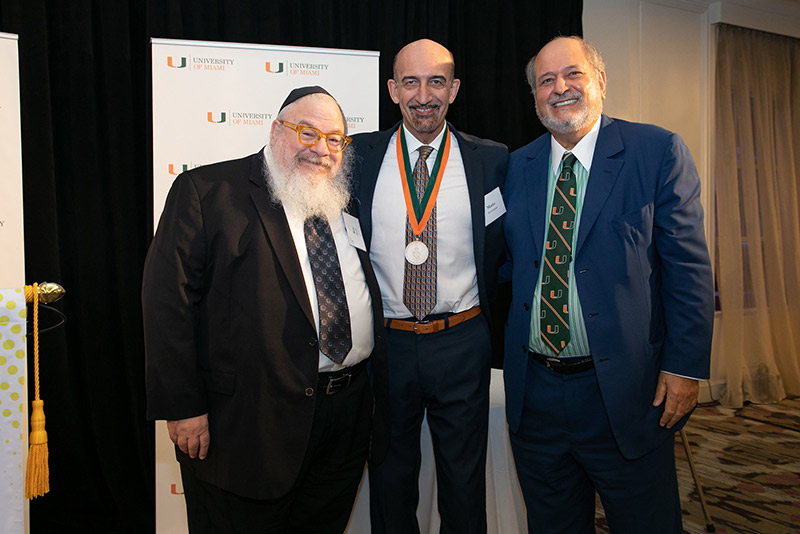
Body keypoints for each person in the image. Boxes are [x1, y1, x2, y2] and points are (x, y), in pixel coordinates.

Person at [142, 86, 389, 534]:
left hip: (344, 418)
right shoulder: (207, 191)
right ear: (276, 130)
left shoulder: (342, 203)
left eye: (336, 139)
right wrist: (183, 406)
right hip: (245, 425)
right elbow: (167, 303)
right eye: (307, 132)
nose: (322, 149)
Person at [502, 36, 714, 533]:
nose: (560, 88)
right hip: (536, 398)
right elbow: (511, 265)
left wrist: (684, 368)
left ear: (600, 81)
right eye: (546, 80)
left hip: (627, 392)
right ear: (534, 95)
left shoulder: (656, 151)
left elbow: (688, 271)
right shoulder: (516, 167)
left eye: (572, 74)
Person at [352, 39, 509, 534]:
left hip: (462, 340)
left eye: (436, 81)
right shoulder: (358, 156)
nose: (424, 95)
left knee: (464, 484)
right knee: (391, 480)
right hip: (388, 343)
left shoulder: (492, 160)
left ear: (454, 89)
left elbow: (507, 250)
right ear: (393, 90)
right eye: (411, 82)